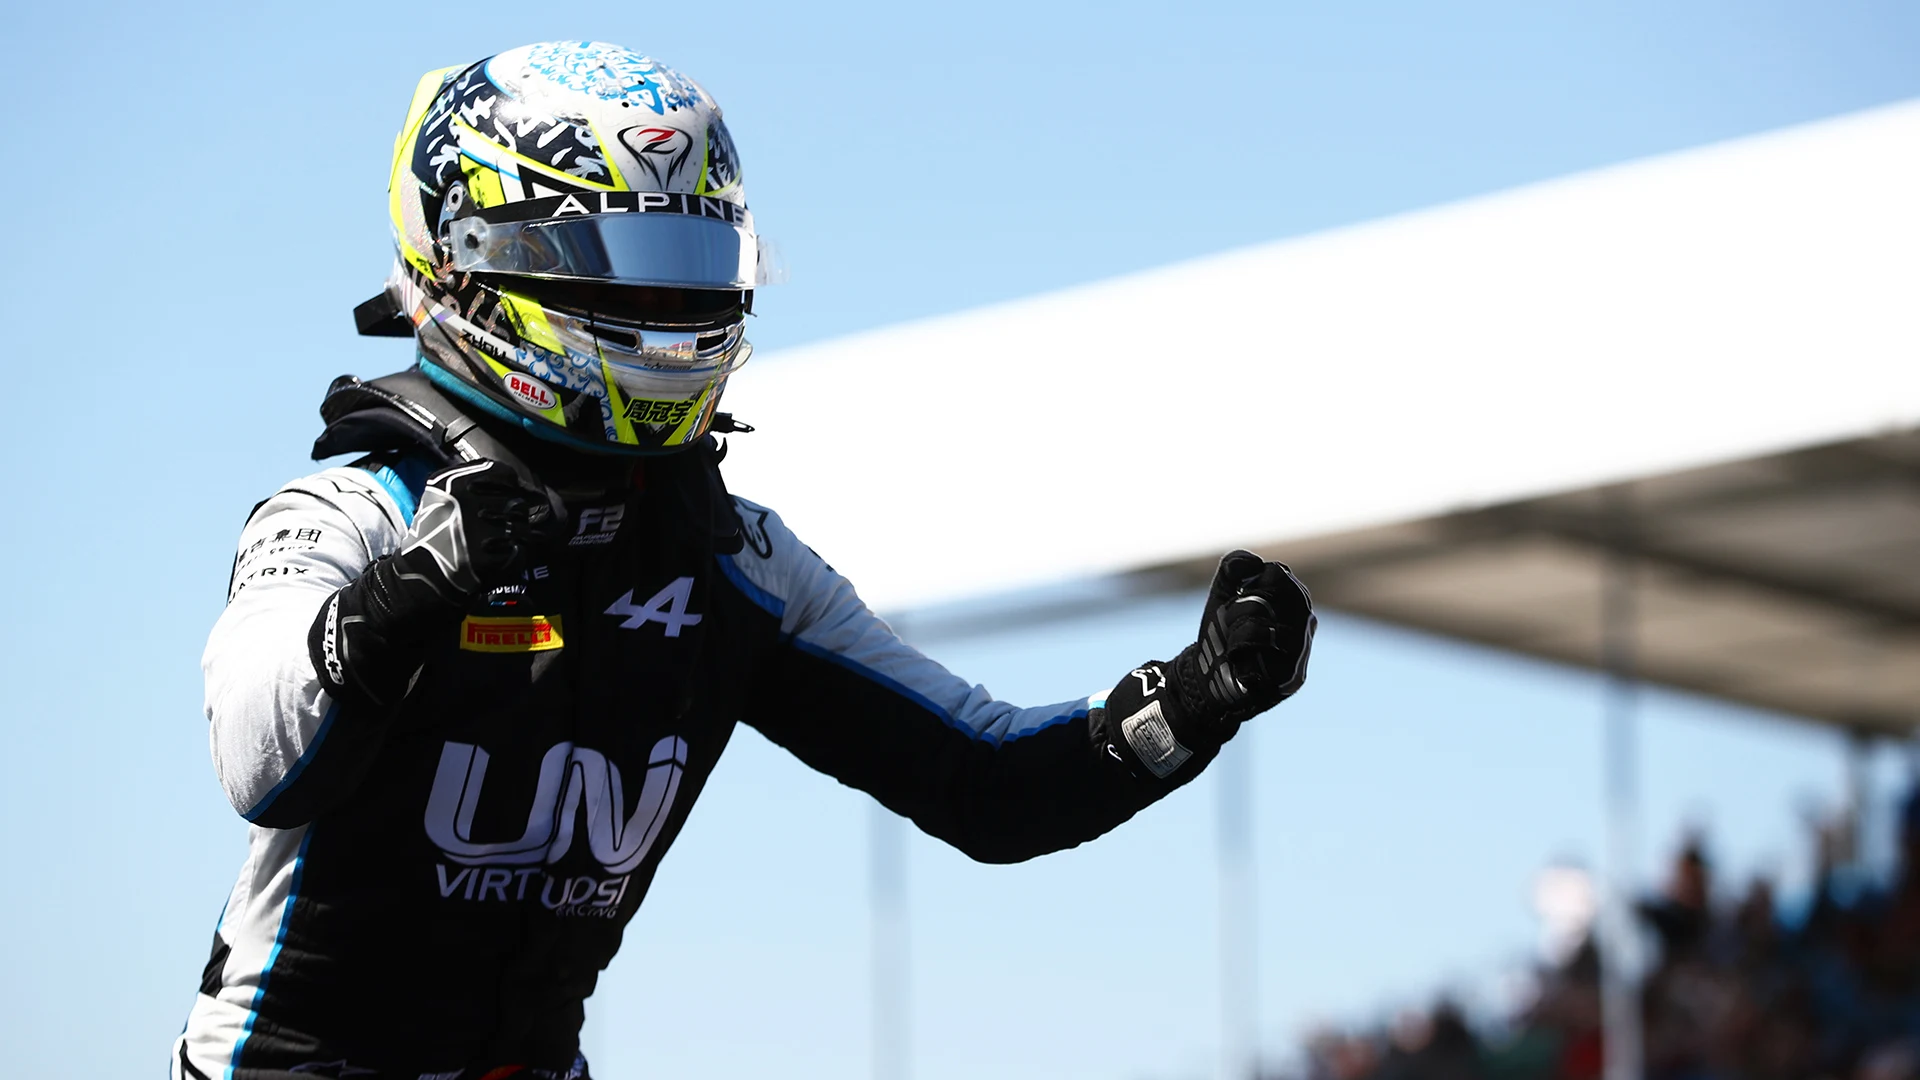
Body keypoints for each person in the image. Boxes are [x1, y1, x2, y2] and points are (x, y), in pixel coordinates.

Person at [171, 41, 1316, 1080]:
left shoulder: (739, 561)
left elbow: (986, 784)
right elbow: (263, 759)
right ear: (476, 262)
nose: (671, 310)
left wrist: (1198, 700)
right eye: (622, 264)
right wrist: (413, 592)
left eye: (691, 265)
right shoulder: (351, 509)